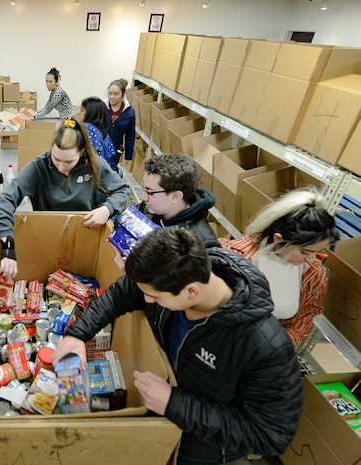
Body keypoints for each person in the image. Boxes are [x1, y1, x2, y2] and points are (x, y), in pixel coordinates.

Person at [53, 226, 302, 465]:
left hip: (198, 447)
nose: (146, 299)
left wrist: (175, 404)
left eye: (154, 296)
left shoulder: (265, 346)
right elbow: (124, 292)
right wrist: (78, 334)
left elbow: (271, 435)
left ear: (191, 292)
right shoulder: (172, 275)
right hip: (155, 424)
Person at [0, 117, 129, 279]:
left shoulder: (94, 164)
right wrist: (8, 247)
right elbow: (5, 200)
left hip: (85, 234)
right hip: (47, 236)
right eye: (56, 159)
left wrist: (106, 209)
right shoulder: (39, 166)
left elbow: (122, 189)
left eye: (68, 162)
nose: (61, 166)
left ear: (82, 153)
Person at [219, 186, 338, 344]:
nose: (312, 259)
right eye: (305, 252)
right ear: (278, 239)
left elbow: (309, 312)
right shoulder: (231, 257)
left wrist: (286, 339)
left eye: (318, 251)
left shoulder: (314, 274)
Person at [138, 153, 220, 249]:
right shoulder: (151, 207)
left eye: (150, 192)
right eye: (145, 190)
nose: (143, 197)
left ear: (176, 196)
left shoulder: (198, 244)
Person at [79, 96, 117, 173]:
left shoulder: (87, 127)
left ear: (90, 112)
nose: (79, 113)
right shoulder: (101, 130)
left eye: (82, 110)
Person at [104, 78, 136, 170]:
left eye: (116, 94)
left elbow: (130, 136)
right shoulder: (102, 107)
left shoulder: (129, 112)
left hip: (115, 150)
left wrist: (128, 156)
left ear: (123, 94)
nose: (112, 97)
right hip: (100, 148)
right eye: (110, 93)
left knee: (110, 173)